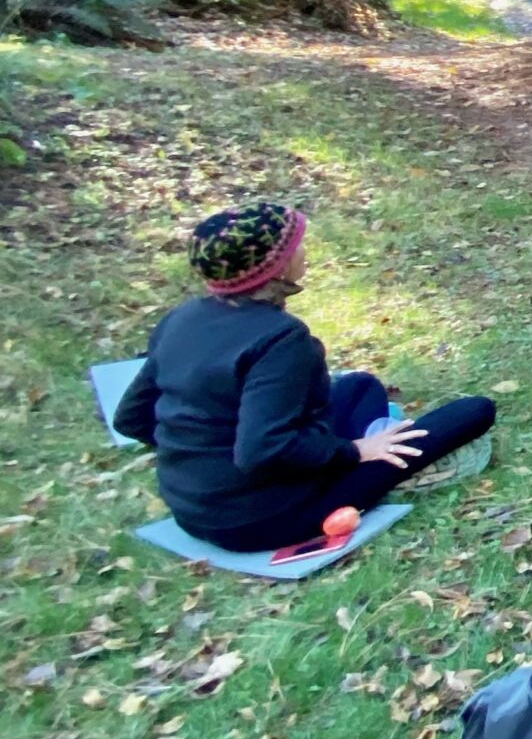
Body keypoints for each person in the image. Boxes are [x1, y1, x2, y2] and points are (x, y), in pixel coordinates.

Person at [113, 203, 498, 552]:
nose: (305, 252)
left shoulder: (180, 319)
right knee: (474, 411)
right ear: (276, 267)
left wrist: (201, 452)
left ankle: (338, 451)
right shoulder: (281, 339)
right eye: (297, 245)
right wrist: (356, 452)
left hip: (190, 508)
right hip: (261, 519)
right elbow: (261, 451)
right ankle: (357, 459)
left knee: (361, 386)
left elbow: (130, 418)